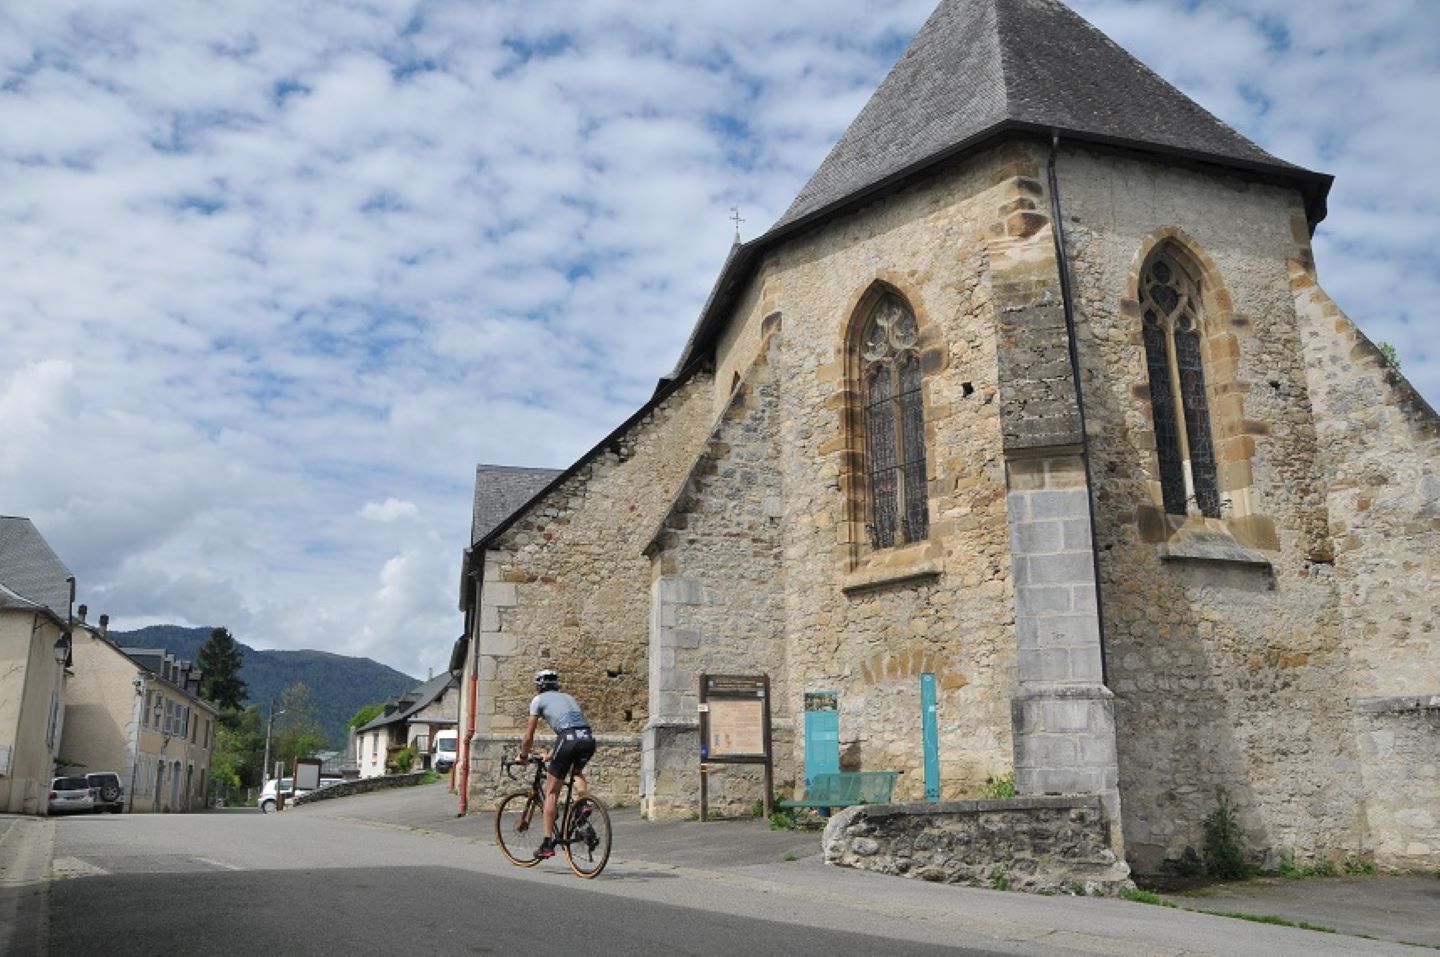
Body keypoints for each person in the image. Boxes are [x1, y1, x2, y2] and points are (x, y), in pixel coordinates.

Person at [517, 668, 595, 859]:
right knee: (576, 773)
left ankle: (546, 844)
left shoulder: (538, 700)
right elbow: (573, 727)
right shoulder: (568, 697)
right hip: (587, 738)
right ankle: (583, 804)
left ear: (539, 686)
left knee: (551, 793)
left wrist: (523, 755)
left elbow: (528, 736)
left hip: (567, 740)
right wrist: (552, 754)